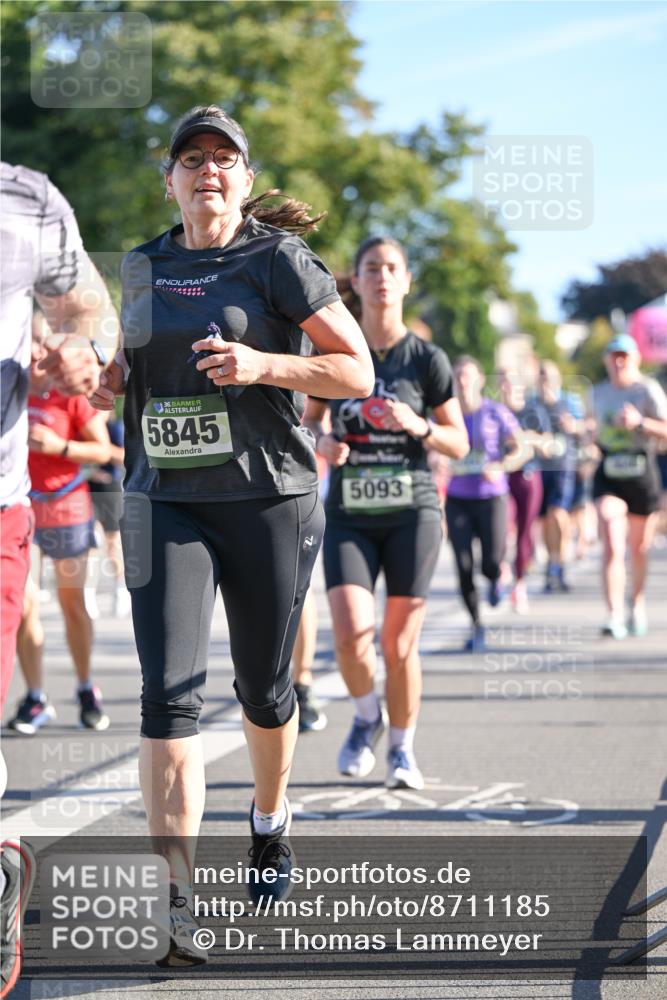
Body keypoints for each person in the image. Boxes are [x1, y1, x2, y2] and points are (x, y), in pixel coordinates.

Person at [91, 105, 373, 966]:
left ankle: (269, 816)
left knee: (262, 690)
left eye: (224, 158)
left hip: (267, 499)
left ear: (245, 180)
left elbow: (354, 369)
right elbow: (131, 373)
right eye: (192, 158)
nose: (207, 169)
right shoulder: (142, 266)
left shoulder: (276, 259)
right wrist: (105, 378)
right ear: (169, 180)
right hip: (164, 500)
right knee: (167, 698)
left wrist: (262, 365)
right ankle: (176, 904)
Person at [0, 160, 117, 999]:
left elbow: (88, 309)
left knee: (67, 605)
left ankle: (73, 688)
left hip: (23, 502)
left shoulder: (27, 201)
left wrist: (82, 349)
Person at [303, 237, 468, 790]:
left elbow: (459, 442)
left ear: (406, 280)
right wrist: (323, 443)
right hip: (350, 513)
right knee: (351, 636)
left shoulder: (426, 359)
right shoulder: (336, 347)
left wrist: (419, 426)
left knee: (398, 646)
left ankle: (401, 748)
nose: (382, 277)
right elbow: (309, 421)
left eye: (392, 268)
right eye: (371, 268)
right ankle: (366, 717)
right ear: (357, 279)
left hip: (412, 514)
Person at [8, 315, 112, 735]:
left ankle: (86, 688)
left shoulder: (67, 391)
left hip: (67, 506)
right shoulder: (9, 386)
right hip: (22, 508)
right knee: (24, 604)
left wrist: (59, 446)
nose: (35, 350)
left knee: (73, 605)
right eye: (27, 340)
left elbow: (104, 451)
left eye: (40, 341)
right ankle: (35, 697)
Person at [589, 334, 667, 638]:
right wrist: (586, 436)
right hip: (609, 470)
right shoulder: (597, 393)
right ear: (606, 361)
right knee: (611, 537)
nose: (619, 362)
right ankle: (614, 614)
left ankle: (636, 602)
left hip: (641, 471)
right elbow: (591, 431)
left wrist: (640, 423)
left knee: (639, 549)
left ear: (635, 359)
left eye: (624, 356)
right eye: (614, 356)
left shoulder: (647, 390)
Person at [446, 356, 524, 652]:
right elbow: (431, 445)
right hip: (458, 498)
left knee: (490, 561)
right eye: (458, 376)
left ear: (480, 380)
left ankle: (496, 577)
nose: (463, 381)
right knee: (463, 564)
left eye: (468, 375)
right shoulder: (446, 414)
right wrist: (437, 459)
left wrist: (501, 466)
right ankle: (476, 624)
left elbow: (521, 447)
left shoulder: (495, 412)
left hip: (492, 497)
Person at [497, 366, 547, 614]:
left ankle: (519, 584)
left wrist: (526, 439)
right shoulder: (494, 411)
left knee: (525, 532)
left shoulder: (533, 411)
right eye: (502, 382)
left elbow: (549, 445)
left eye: (511, 382)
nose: (506, 387)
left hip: (527, 477)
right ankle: (501, 569)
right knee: (502, 526)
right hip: (500, 478)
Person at [536, 360, 585, 593]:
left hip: (563, 467)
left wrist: (573, 426)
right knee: (546, 520)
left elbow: (586, 427)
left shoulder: (569, 401)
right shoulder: (532, 404)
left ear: (558, 379)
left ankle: (560, 563)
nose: (545, 380)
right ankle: (552, 563)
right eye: (542, 375)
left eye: (549, 375)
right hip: (539, 468)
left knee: (558, 514)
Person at [85, 410, 132, 619]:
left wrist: (101, 449)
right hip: (87, 486)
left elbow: (123, 456)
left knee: (112, 542)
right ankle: (88, 594)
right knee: (89, 544)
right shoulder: (83, 425)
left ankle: (119, 589)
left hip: (109, 489)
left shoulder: (114, 427)